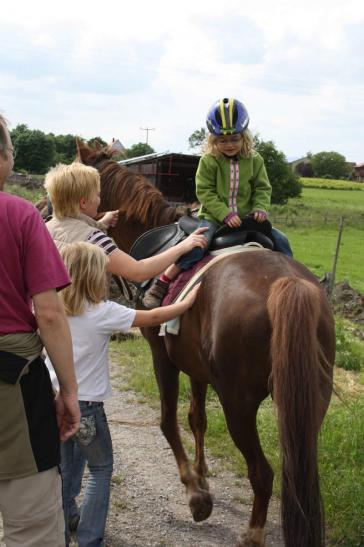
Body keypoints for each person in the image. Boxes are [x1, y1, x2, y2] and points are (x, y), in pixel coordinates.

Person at [45, 241, 201, 547]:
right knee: (101, 470)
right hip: (87, 409)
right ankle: (90, 539)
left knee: (61, 473)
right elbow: (155, 318)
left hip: (54, 402)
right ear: (95, 278)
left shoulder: (47, 310)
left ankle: (60, 536)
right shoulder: (104, 312)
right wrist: (186, 303)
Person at [0, 114, 80, 546]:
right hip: (12, 384)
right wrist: (68, 391)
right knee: (31, 526)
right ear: (3, 159)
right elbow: (49, 313)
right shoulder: (20, 215)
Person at [142, 97, 293, 308]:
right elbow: (204, 191)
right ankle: (164, 280)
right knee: (198, 245)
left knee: (281, 239)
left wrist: (260, 208)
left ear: (244, 137)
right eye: (222, 140)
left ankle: (296, 281)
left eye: (234, 139)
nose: (229, 144)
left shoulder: (255, 160)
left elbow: (262, 188)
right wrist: (224, 214)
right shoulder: (209, 161)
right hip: (214, 217)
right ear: (213, 140)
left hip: (247, 217)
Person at [44, 162, 208, 281]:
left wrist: (101, 225)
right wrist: (182, 247)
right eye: (97, 195)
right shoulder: (95, 241)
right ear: (83, 203)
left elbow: (71, 233)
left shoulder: (45, 229)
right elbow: (138, 272)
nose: (100, 200)